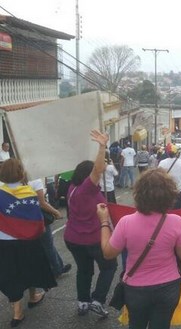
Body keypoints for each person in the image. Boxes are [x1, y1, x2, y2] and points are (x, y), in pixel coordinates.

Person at [96, 168, 181, 329]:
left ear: (139, 193)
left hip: (136, 288)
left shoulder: (126, 222)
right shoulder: (176, 221)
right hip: (168, 286)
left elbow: (108, 253)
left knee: (136, 324)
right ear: (170, 194)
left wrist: (104, 221)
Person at [64, 130, 117, 317]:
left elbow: (95, 171)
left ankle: (83, 302)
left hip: (73, 238)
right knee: (109, 267)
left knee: (84, 270)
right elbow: (97, 170)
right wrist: (102, 146)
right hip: (93, 238)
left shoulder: (73, 187)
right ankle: (97, 300)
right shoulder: (87, 189)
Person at [0, 159, 57, 327]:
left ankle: (17, 313)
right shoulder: (29, 193)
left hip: (4, 241)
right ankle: (33, 296)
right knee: (30, 267)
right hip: (28, 240)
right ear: (21, 172)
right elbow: (37, 221)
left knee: (10, 274)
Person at [26, 175, 72, 278]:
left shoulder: (11, 181)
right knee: (48, 244)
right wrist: (56, 212)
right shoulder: (35, 179)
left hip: (25, 218)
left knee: (42, 244)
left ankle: (58, 266)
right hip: (39, 217)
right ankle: (57, 269)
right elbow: (42, 203)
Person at [158, 143, 181, 209]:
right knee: (177, 208)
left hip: (166, 190)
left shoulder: (162, 163)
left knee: (166, 208)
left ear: (167, 153)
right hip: (179, 190)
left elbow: (158, 177)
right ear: (176, 153)